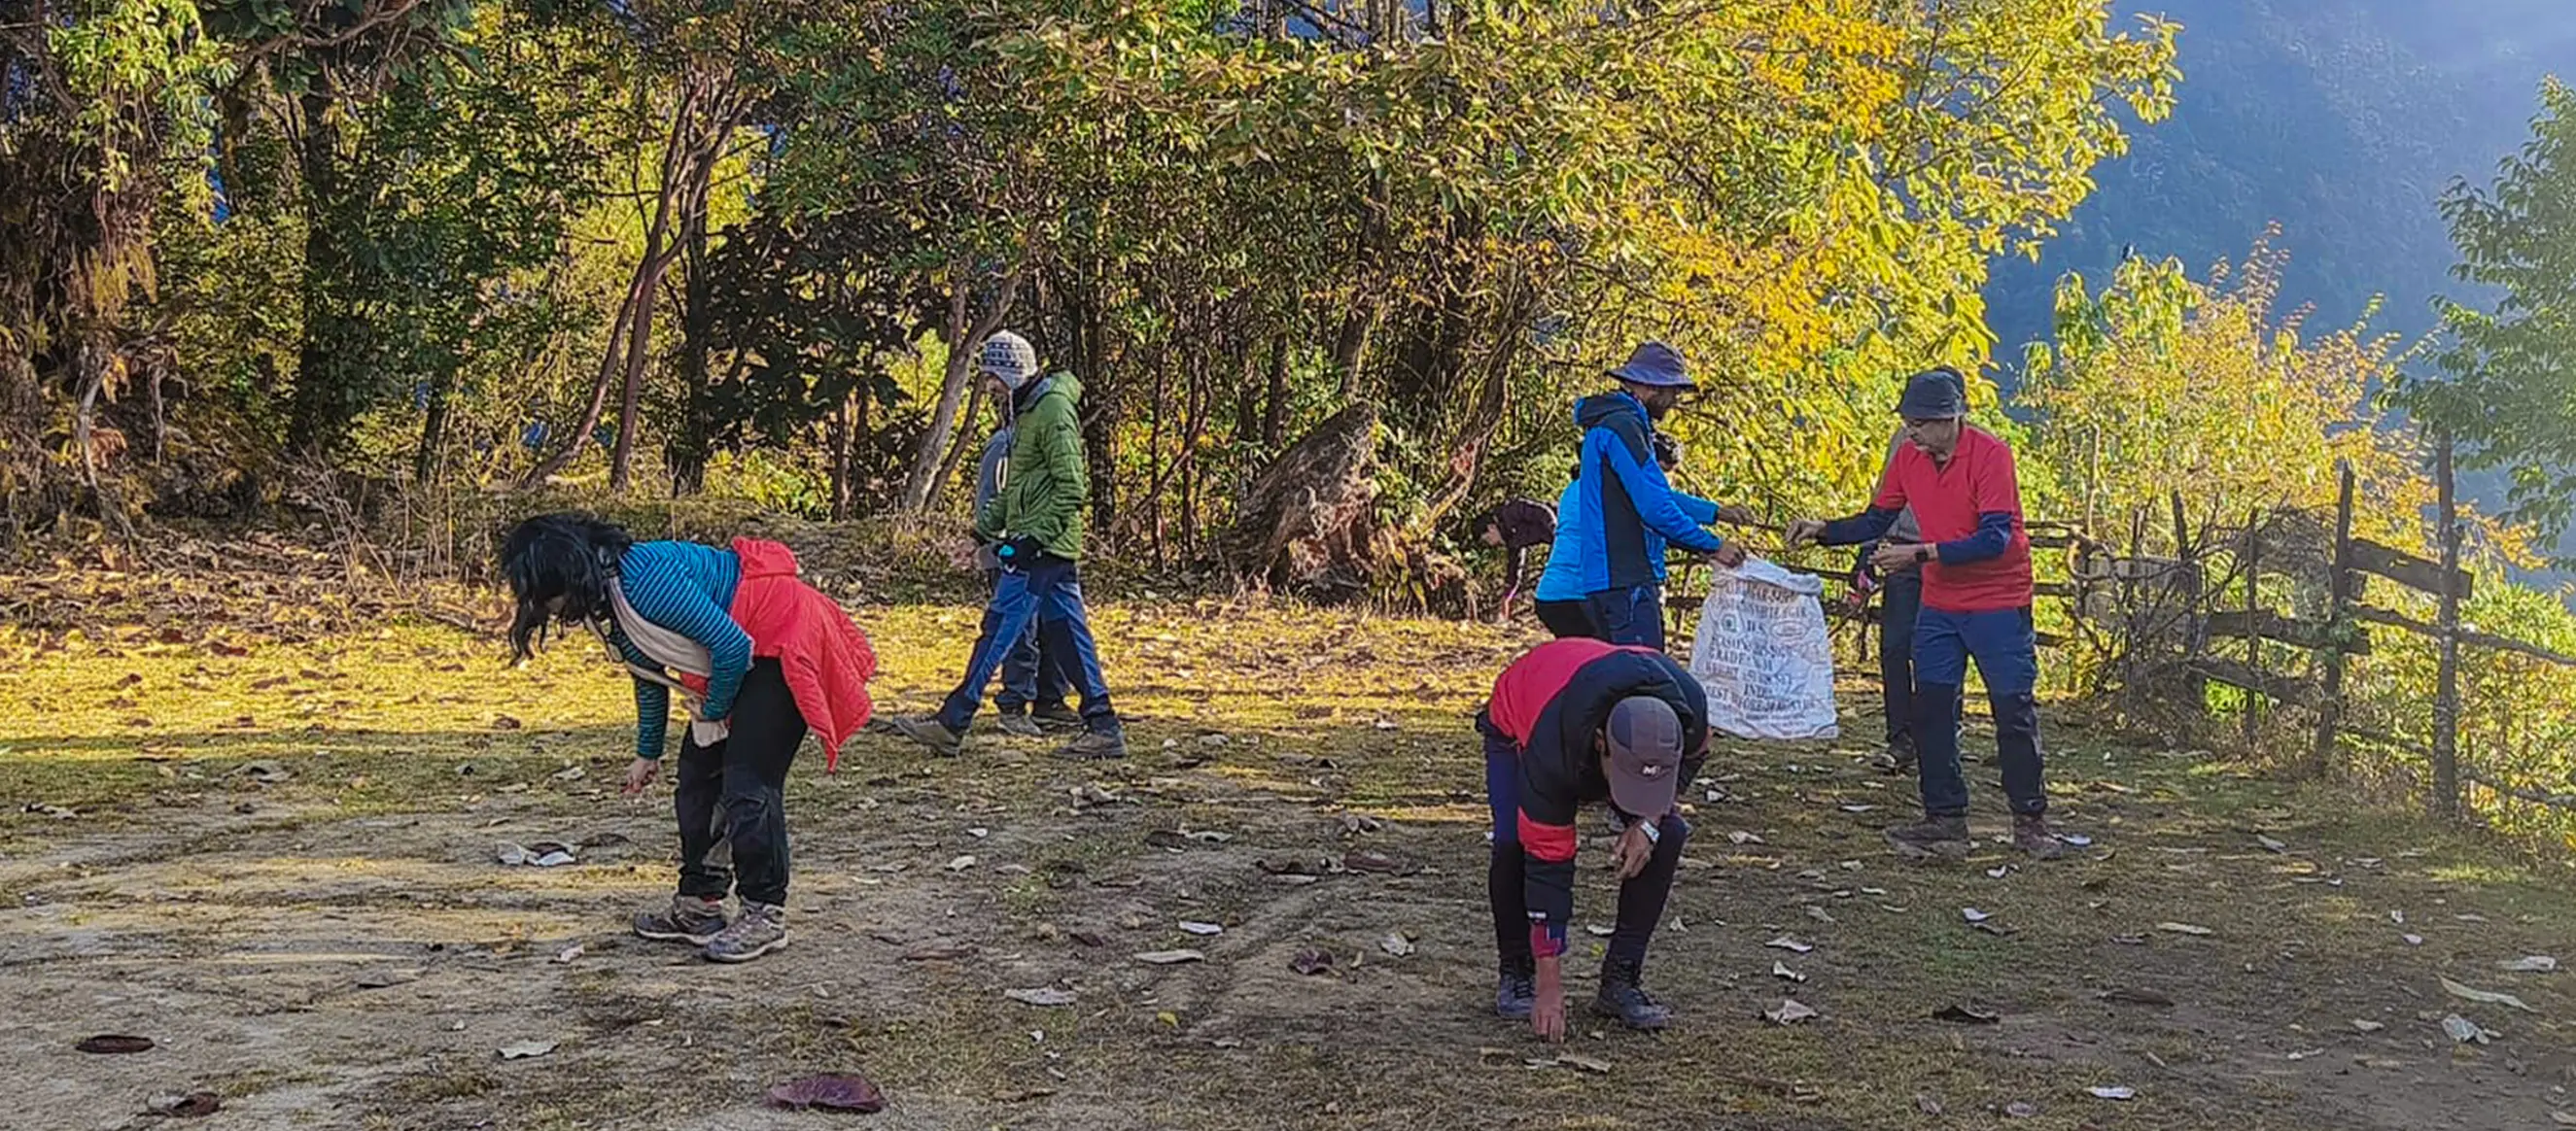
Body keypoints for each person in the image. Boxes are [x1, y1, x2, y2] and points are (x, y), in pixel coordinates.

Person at [502, 513, 879, 963]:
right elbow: (647, 672)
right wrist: (647, 753)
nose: (548, 611)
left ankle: (765, 913)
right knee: (698, 780)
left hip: (782, 640)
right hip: (743, 652)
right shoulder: (614, 600)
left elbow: (731, 645)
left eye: (547, 598)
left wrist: (715, 711)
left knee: (747, 783)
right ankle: (700, 906)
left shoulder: (643, 581)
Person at [1787, 368, 2063, 860]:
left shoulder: (1990, 455)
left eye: (1921, 422)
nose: (1911, 432)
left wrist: (1920, 554)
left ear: (1951, 418)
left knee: (2012, 709)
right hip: (1941, 600)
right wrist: (1824, 530)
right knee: (1932, 708)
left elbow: (1996, 537)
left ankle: (2030, 820)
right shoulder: (1909, 458)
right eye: (1908, 421)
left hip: (1998, 599)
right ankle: (1945, 818)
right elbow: (1878, 518)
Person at [888, 331, 1128, 761]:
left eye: (992, 376)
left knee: (997, 631)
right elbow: (1015, 489)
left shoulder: (1051, 411)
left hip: (1042, 547)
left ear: (1011, 372)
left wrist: (1032, 541)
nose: (990, 385)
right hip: (1044, 545)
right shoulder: (1026, 411)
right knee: (1069, 635)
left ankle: (953, 721)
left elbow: (1072, 488)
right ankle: (1104, 725)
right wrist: (979, 533)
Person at [1480, 636, 1706, 1039]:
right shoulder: (1550, 752)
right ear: (1602, 744)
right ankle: (1518, 971)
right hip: (1523, 715)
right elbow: (1548, 863)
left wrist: (1648, 823)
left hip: (1593, 707)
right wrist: (1550, 984)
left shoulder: (1690, 710)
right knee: (1515, 842)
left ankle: (1621, 979)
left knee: (1668, 834)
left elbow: (1691, 760)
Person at [1560, 340, 1750, 649]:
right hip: (1627, 578)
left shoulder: (1607, 425)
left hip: (1603, 578)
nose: (1674, 400)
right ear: (1650, 387)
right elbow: (1654, 507)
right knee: (1643, 675)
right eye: (1672, 391)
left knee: (1612, 679)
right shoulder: (1624, 427)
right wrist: (1713, 545)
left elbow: (1654, 495)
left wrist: (1715, 512)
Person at [1851, 372, 1966, 776]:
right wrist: (1866, 552)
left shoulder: (1979, 449)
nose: (1916, 427)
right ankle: (1899, 738)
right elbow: (1884, 496)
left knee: (1942, 650)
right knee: (1895, 647)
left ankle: (1945, 731)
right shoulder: (1903, 441)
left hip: (1945, 559)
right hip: (1901, 553)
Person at [972, 413, 1077, 737]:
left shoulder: (1047, 444)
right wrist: (1002, 549)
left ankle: (1050, 701)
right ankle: (1013, 704)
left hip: (1043, 550)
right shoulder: (1006, 446)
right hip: (1012, 555)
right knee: (1020, 633)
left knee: (1054, 627)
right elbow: (997, 502)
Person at [1473, 497, 1557, 624]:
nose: (1491, 544)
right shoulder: (1511, 540)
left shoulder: (1511, 511)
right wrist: (1506, 598)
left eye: (1487, 539)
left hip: (1572, 521)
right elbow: (1514, 569)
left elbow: (1543, 511)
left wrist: (1557, 534)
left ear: (1491, 528)